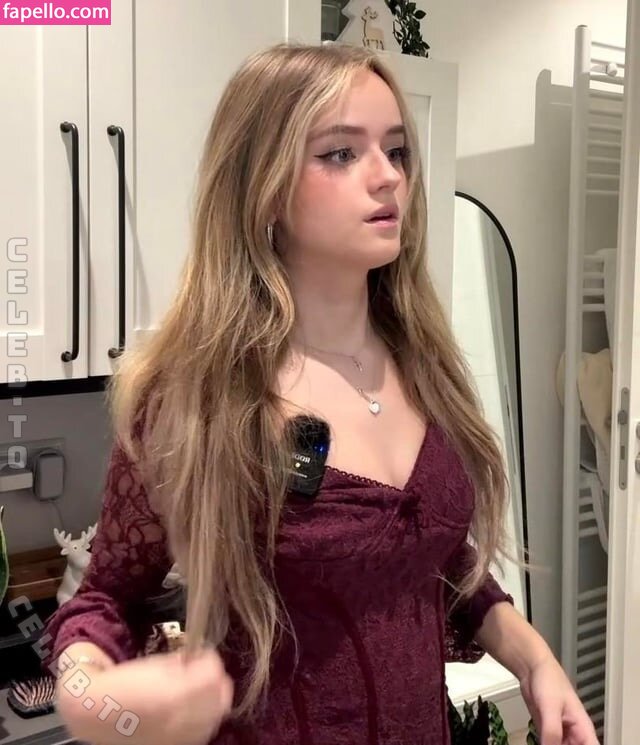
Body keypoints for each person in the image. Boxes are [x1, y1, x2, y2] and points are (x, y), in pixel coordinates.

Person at [42, 43, 598, 745]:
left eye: (396, 151)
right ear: (264, 186)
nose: (387, 177)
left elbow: (435, 559)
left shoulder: (425, 364)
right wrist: (93, 697)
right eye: (340, 153)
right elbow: (103, 599)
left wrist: (535, 658)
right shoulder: (196, 399)